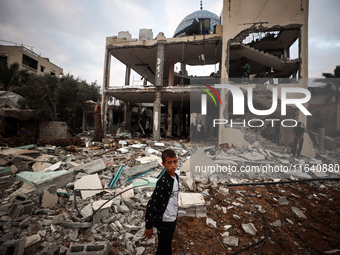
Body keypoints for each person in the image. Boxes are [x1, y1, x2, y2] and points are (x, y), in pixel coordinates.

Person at [144, 149, 179, 255]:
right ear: (163, 164)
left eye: (175, 162)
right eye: (169, 163)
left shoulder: (176, 177)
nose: (173, 165)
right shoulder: (163, 181)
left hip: (172, 218)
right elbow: (152, 203)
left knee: (167, 244)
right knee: (163, 246)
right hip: (164, 220)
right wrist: (148, 226)